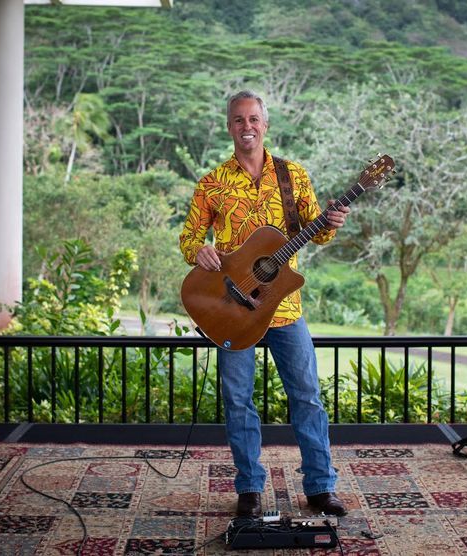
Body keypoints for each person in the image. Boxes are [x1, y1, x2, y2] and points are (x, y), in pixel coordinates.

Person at [179, 90, 350, 518]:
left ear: (265, 124)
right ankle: (250, 490)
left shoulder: (293, 176)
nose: (247, 126)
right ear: (229, 126)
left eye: (254, 118)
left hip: (284, 309)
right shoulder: (212, 183)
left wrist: (332, 222)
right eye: (238, 120)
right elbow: (188, 238)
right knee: (238, 401)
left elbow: (320, 230)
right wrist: (197, 250)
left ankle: (320, 487)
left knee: (307, 396)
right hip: (232, 310)